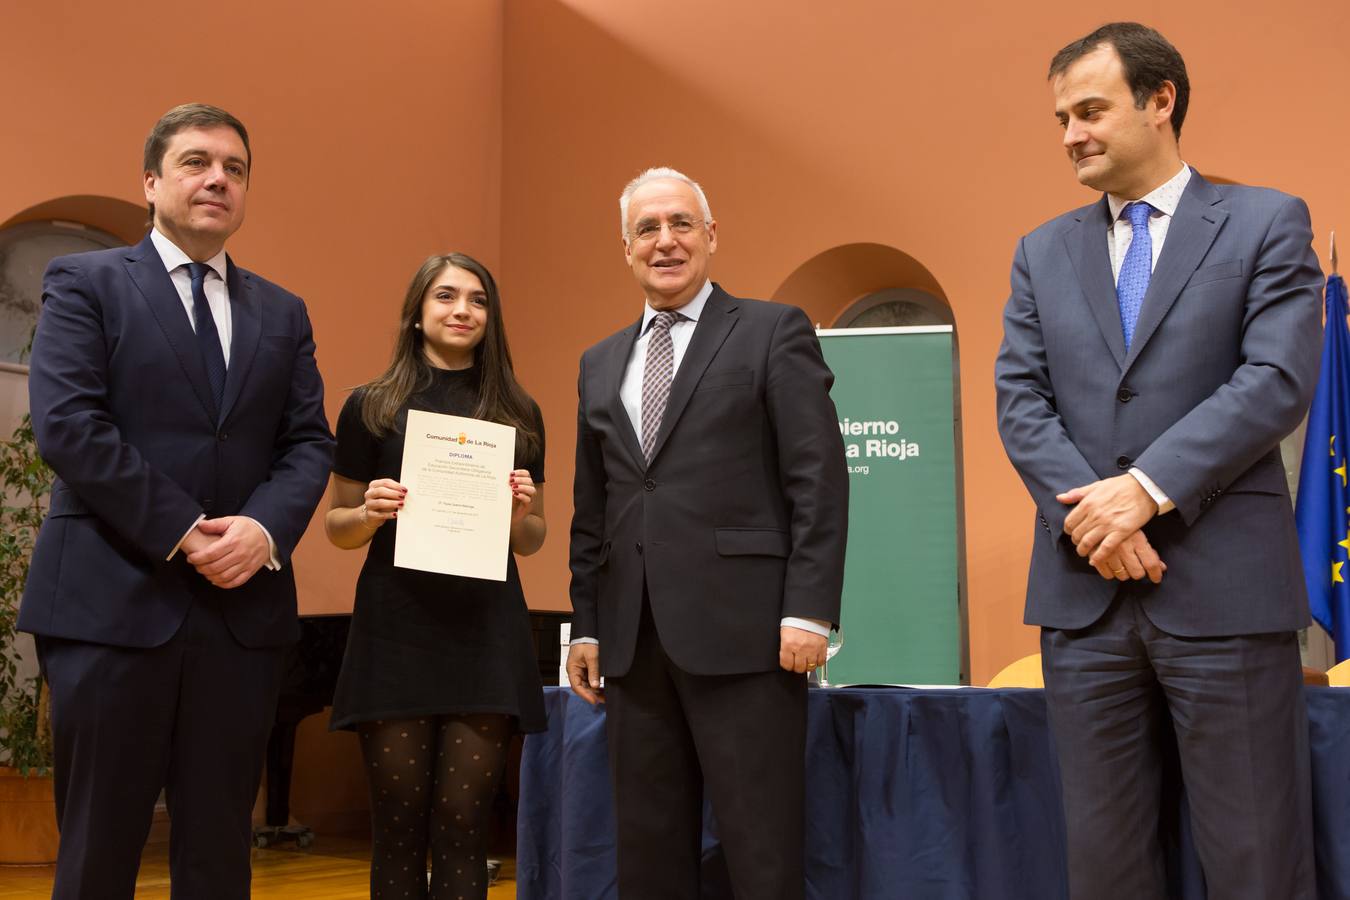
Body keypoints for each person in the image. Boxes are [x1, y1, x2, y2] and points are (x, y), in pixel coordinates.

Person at [995, 23, 1321, 899]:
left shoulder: (1265, 221)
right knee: (1103, 870)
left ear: (1161, 100)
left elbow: (1276, 379)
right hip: (1084, 597)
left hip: (1225, 596)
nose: (1071, 134)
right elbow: (1020, 402)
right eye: (1062, 118)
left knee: (1256, 860)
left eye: (1091, 110)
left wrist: (1144, 491)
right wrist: (1091, 521)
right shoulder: (1041, 250)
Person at [19, 103, 334, 898]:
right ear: (152, 181)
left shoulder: (282, 311)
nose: (217, 179)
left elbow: (308, 444)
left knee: (220, 849)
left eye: (234, 168)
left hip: (240, 621)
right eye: (196, 162)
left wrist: (262, 530)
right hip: (111, 608)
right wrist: (186, 532)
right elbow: (68, 425)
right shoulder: (86, 282)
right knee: (98, 848)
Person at [565, 167, 848, 899]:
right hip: (634, 641)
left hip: (748, 636)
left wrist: (809, 608)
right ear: (626, 249)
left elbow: (817, 478)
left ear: (711, 236)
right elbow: (592, 508)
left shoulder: (771, 330)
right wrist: (588, 626)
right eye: (648, 229)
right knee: (648, 855)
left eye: (681, 224)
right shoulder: (599, 363)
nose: (666, 241)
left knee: (761, 851)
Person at [325, 252, 547, 900]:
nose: (462, 310)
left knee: (463, 826)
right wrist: (366, 513)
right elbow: (336, 527)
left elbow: (531, 541)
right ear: (418, 313)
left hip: (487, 634)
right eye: (446, 296)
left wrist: (518, 511)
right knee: (397, 829)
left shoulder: (517, 411)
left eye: (477, 300)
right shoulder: (370, 406)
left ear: (491, 317)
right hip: (396, 629)